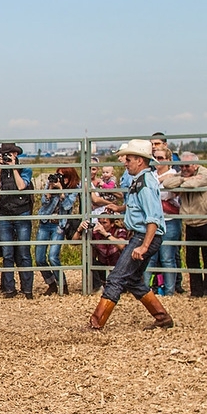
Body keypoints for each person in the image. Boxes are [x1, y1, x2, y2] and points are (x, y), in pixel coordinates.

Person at [88, 140, 174, 330]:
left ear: (140, 161)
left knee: (117, 277)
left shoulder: (144, 184)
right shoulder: (142, 180)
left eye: (129, 159)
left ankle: (97, 322)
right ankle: (162, 318)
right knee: (133, 279)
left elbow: (152, 218)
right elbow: (140, 207)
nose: (125, 163)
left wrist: (143, 246)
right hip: (143, 235)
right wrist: (120, 207)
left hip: (144, 236)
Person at [162, 152, 207, 297]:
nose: (184, 168)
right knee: (191, 258)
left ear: (195, 165)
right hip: (191, 223)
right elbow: (167, 184)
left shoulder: (204, 172)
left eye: (187, 166)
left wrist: (182, 181)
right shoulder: (183, 174)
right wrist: (183, 178)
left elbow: (195, 184)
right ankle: (196, 291)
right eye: (182, 166)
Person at [0, 143, 34, 299]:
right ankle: (10, 289)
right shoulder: (1, 171)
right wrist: (1, 168)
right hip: (5, 214)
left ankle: (27, 289)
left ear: (16, 154)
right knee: (7, 254)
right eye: (4, 154)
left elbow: (22, 186)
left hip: (22, 213)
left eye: (9, 153)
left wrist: (14, 168)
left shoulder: (25, 170)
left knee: (24, 253)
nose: (7, 156)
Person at [144, 147, 182, 296]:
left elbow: (167, 193)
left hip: (169, 220)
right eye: (155, 157)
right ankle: (145, 290)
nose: (157, 160)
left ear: (168, 159)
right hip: (154, 220)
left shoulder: (173, 175)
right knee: (150, 257)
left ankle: (169, 291)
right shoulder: (151, 174)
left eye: (160, 157)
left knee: (167, 257)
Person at [36, 166, 79, 296]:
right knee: (39, 258)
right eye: (58, 175)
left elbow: (67, 205)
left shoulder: (73, 189)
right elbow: (43, 202)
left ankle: (63, 285)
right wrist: (50, 189)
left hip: (59, 225)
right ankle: (51, 284)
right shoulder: (50, 184)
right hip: (45, 223)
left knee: (53, 256)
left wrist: (61, 191)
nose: (60, 178)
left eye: (63, 176)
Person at [71, 211, 129, 292]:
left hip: (118, 269)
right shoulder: (95, 233)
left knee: (121, 289)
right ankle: (98, 287)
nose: (101, 225)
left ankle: (111, 285)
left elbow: (121, 245)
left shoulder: (119, 231)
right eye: (100, 222)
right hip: (103, 267)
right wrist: (79, 230)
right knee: (88, 260)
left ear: (112, 224)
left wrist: (105, 234)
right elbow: (74, 242)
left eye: (104, 223)